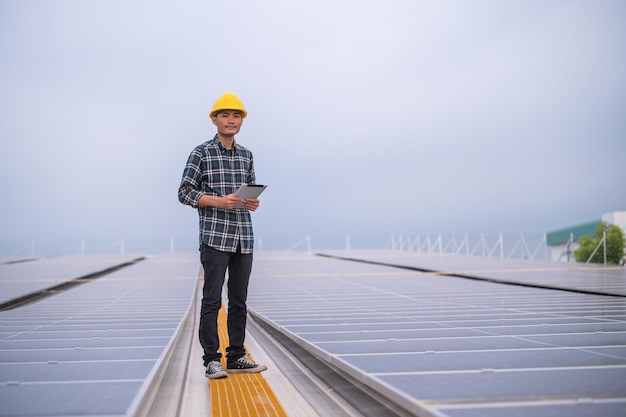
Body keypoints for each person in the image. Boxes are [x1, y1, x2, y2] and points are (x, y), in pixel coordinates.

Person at [178, 92, 267, 379]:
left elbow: (248, 193)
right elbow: (184, 192)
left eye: (236, 115)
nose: (231, 120)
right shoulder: (200, 153)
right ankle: (211, 360)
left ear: (242, 121)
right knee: (212, 300)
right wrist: (218, 201)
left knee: (239, 299)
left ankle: (237, 356)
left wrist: (251, 202)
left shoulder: (247, 155)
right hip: (215, 237)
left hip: (244, 237)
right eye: (225, 115)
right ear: (215, 120)